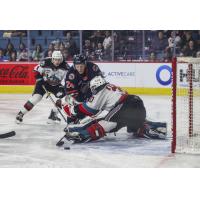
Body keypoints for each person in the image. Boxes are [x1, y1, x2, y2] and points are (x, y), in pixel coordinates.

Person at [58, 76, 167, 143]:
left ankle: (80, 133)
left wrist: (69, 107)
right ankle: (155, 128)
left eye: (92, 89)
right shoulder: (111, 87)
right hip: (137, 103)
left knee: (106, 123)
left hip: (125, 106)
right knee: (131, 127)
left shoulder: (101, 91)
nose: (92, 91)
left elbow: (89, 110)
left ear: (96, 86)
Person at [15, 50, 70, 124]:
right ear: (52, 59)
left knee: (64, 99)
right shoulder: (45, 62)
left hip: (56, 85)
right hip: (43, 83)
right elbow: (35, 69)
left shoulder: (66, 66)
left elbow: (68, 79)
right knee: (36, 98)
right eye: (55, 59)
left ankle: (53, 115)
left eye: (59, 59)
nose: (57, 61)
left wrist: (65, 87)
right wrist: (39, 78)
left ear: (62, 59)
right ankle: (20, 114)